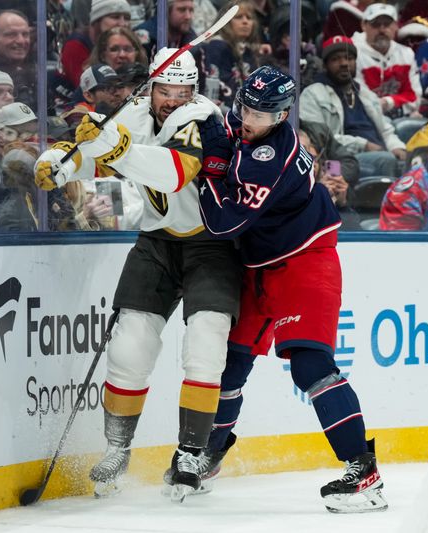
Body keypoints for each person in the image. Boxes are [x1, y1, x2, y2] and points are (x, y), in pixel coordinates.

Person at [33, 47, 241, 501]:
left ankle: (191, 451)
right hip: (156, 242)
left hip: (212, 245)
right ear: (151, 85)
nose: (174, 98)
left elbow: (174, 173)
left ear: (195, 90)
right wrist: (62, 161)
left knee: (206, 344)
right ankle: (117, 449)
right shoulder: (134, 112)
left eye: (183, 90)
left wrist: (116, 146)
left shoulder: (204, 118)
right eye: (166, 89)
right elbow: (98, 156)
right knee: (129, 346)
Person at [193, 66, 387, 513]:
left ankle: (364, 471)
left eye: (260, 115)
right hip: (257, 264)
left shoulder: (274, 158)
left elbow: (224, 223)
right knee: (230, 363)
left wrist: (209, 172)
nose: (248, 119)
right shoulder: (245, 123)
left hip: (304, 261)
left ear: (282, 116)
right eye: (244, 107)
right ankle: (210, 453)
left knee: (311, 366)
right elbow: (224, 132)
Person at [299, 36, 406, 179]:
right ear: (325, 66)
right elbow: (318, 139)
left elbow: (386, 130)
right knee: (385, 160)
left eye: (348, 58)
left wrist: (396, 146)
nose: (344, 63)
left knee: (410, 160)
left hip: (380, 153)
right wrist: (364, 144)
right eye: (335, 59)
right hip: (340, 160)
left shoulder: (365, 94)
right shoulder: (312, 94)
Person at [352, 3, 421, 119]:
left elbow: (415, 97)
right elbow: (359, 99)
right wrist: (399, 103)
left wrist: (388, 102)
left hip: (400, 116)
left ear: (396, 26)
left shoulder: (406, 54)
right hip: (365, 119)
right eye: (376, 24)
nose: (382, 29)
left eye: (387, 24)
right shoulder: (352, 52)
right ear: (364, 25)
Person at [298, 121, 362, 231]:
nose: (309, 159)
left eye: (310, 154)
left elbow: (354, 232)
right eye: (300, 152)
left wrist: (342, 204)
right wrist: (318, 196)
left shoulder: (325, 183)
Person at [60, 0, 132, 88]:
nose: (123, 23)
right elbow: (86, 89)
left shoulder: (128, 43)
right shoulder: (75, 45)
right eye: (115, 17)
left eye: (127, 18)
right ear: (97, 20)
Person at [203, 0, 261, 109]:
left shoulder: (248, 51)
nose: (245, 22)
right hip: (222, 111)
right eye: (239, 17)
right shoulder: (217, 46)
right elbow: (220, 86)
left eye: (249, 18)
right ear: (225, 21)